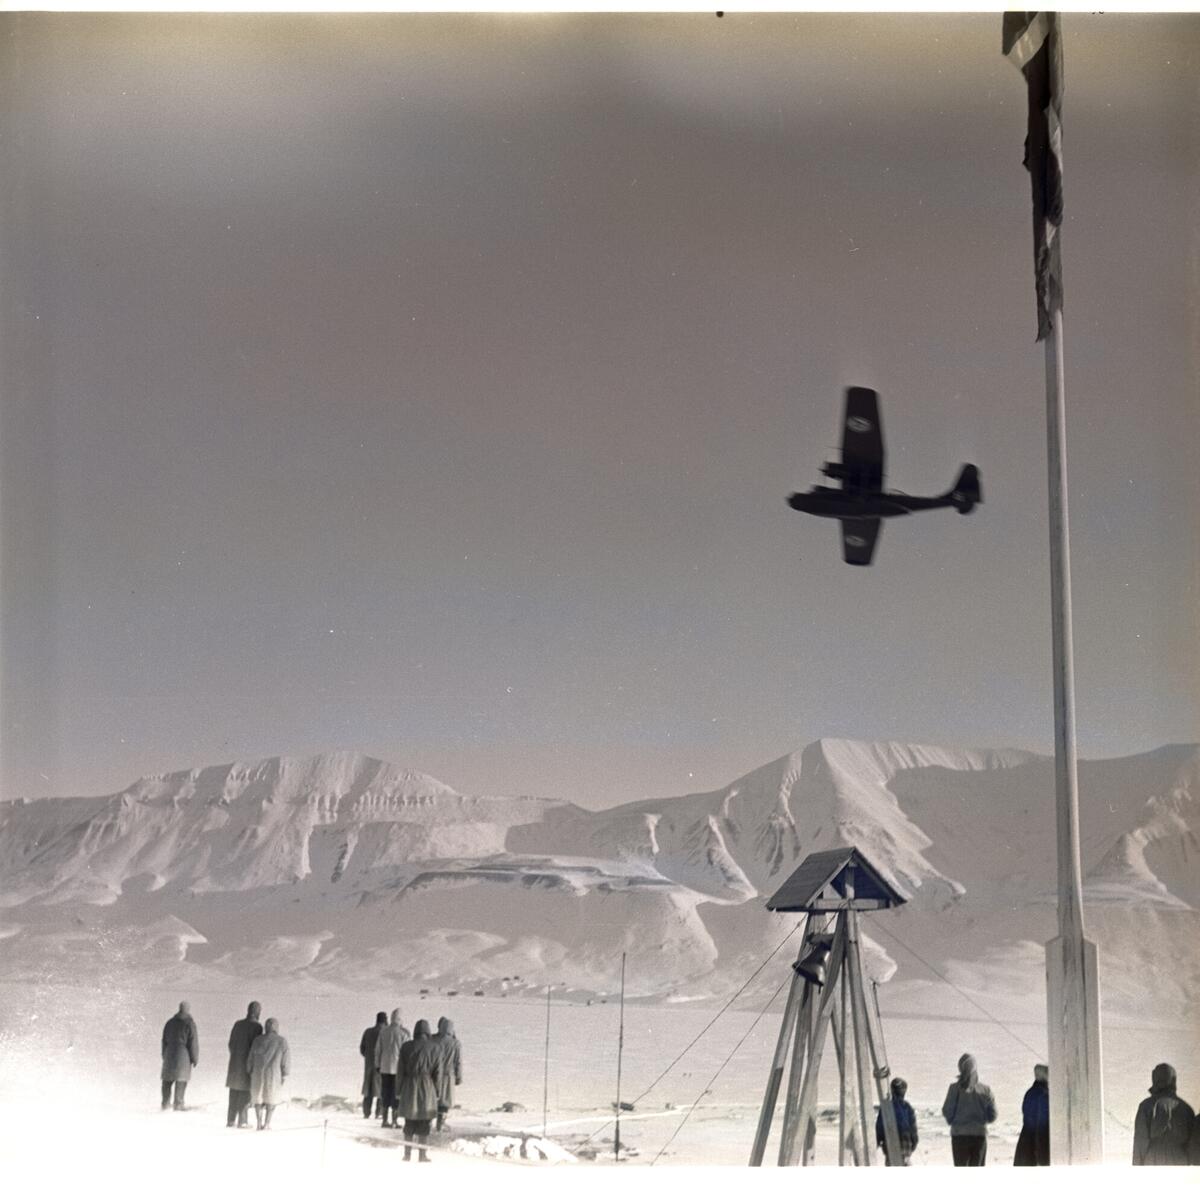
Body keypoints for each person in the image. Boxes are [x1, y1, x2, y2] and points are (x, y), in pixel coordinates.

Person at [1132, 1062, 1195, 1165]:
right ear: (1173, 1080)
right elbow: (1192, 1146)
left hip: (1154, 1161)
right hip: (1180, 1162)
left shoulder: (1146, 1106)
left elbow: (1140, 1141)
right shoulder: (1186, 1109)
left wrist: (1137, 1168)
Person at [941, 1052, 996, 1165]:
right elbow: (993, 1115)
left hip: (959, 1136)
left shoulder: (954, 1088)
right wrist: (981, 1121)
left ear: (960, 1068)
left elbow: (947, 1111)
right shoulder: (985, 1090)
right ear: (975, 1068)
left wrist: (954, 1122)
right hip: (979, 1135)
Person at [398, 1020, 441, 1162]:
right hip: (427, 1086)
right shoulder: (435, 1048)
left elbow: (400, 1071)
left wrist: (398, 1090)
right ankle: (422, 1155)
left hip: (409, 1085)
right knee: (424, 1122)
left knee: (409, 1122)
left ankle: (407, 1154)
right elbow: (438, 1073)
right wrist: (437, 1092)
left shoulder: (406, 1047)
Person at [247, 1017, 290, 1131]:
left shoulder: (257, 1040)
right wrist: (285, 1073)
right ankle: (267, 1123)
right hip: (274, 1074)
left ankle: (258, 1123)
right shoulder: (282, 1041)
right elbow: (286, 1060)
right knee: (271, 1098)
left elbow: (250, 1057)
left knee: (258, 1098)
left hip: (258, 1073)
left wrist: (249, 1069)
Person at [225, 1001, 263, 1128]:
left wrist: (235, 1055)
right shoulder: (257, 1027)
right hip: (247, 1064)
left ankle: (230, 1120)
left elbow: (230, 1044)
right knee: (245, 1093)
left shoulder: (237, 1024)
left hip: (234, 1063)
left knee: (233, 1092)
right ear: (257, 1012)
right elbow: (256, 1047)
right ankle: (243, 1121)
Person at [375, 1008, 410, 1129]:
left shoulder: (383, 1032)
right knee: (396, 1095)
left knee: (385, 1094)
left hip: (384, 1068)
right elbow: (407, 1052)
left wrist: (377, 1065)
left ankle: (384, 1120)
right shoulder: (404, 1034)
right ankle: (395, 1120)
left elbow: (377, 1050)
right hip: (398, 1069)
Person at [161, 1001, 199, 1111]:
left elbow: (164, 1040)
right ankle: (178, 1103)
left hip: (169, 1053)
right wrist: (195, 1058)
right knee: (181, 1080)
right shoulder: (190, 1024)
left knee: (167, 1081)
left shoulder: (170, 1023)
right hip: (183, 1055)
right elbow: (193, 1043)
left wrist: (164, 1054)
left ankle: (165, 1103)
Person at [875, 1076, 918, 1165]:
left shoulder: (886, 1107)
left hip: (890, 1147)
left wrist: (878, 1141)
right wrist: (913, 1145)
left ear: (892, 1090)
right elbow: (913, 1130)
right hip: (905, 1147)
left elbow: (880, 1127)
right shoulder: (907, 1107)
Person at [1014, 1063, 1050, 1166]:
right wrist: (1043, 1157)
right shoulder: (1044, 1095)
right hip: (1035, 1145)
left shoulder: (1029, 1093)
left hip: (1024, 1142)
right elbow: (1042, 1126)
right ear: (1044, 1076)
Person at [431, 1016, 462, 1132]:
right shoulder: (456, 1043)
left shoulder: (433, 1039)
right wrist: (459, 1078)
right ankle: (441, 1123)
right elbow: (458, 1062)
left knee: (433, 1099)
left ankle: (429, 1122)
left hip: (433, 1074)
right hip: (449, 1075)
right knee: (445, 1101)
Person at [360, 1011, 387, 1120]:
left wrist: (368, 1057)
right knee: (381, 1090)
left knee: (368, 1090)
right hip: (381, 1065)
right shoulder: (385, 1032)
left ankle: (366, 1112)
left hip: (369, 1065)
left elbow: (362, 1049)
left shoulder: (368, 1031)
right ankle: (379, 1113)